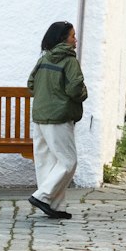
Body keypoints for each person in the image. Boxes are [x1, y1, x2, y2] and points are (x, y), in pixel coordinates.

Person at [27, 21, 88, 220]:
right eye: (72, 36)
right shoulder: (69, 60)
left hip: (39, 116)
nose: (75, 40)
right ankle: (43, 196)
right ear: (63, 39)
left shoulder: (44, 59)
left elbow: (30, 84)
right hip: (59, 117)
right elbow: (75, 89)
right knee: (68, 161)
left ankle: (51, 204)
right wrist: (83, 94)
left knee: (47, 161)